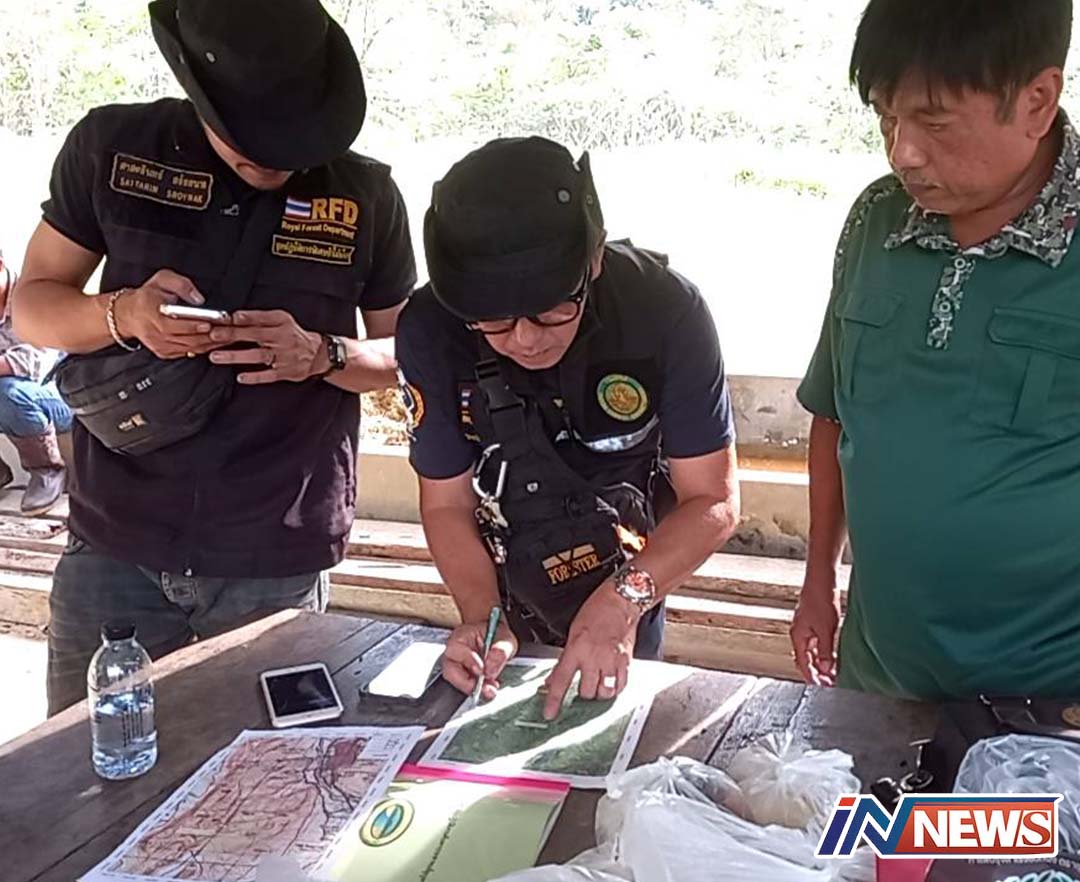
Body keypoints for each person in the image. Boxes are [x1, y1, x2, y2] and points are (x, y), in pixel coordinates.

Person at [14, 0, 416, 715]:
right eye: (249, 138)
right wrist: (123, 314)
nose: (271, 157)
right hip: (117, 539)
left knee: (266, 769)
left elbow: (408, 355)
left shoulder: (366, 195)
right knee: (84, 756)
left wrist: (321, 353)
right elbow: (34, 305)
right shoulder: (114, 148)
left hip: (276, 547)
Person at [791, 0, 1080, 699]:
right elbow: (835, 415)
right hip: (878, 674)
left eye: (935, 122)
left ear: (1037, 101)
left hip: (1046, 706)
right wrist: (817, 579)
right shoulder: (876, 220)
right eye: (886, 117)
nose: (903, 153)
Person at [396, 137, 739, 720]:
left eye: (553, 308)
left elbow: (713, 499)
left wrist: (624, 601)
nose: (526, 339)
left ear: (594, 257)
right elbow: (447, 503)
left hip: (632, 568)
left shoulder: (664, 310)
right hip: (503, 570)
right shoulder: (431, 327)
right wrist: (482, 617)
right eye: (494, 321)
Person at [0, 247, 71, 515]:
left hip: (60, 395)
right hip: (14, 398)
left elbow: (36, 361)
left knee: (7, 392)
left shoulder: (32, 296)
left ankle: (47, 469)